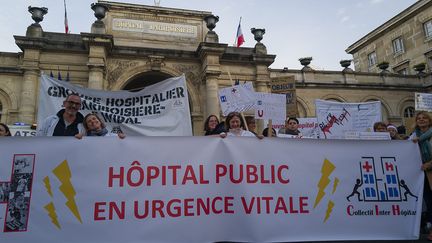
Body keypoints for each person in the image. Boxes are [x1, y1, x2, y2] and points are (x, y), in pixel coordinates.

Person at [411, 111, 432, 240]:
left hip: (429, 169)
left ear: (429, 121)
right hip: (422, 173)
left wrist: (430, 164)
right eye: (419, 118)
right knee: (429, 202)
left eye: (425, 118)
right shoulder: (414, 135)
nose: (422, 120)